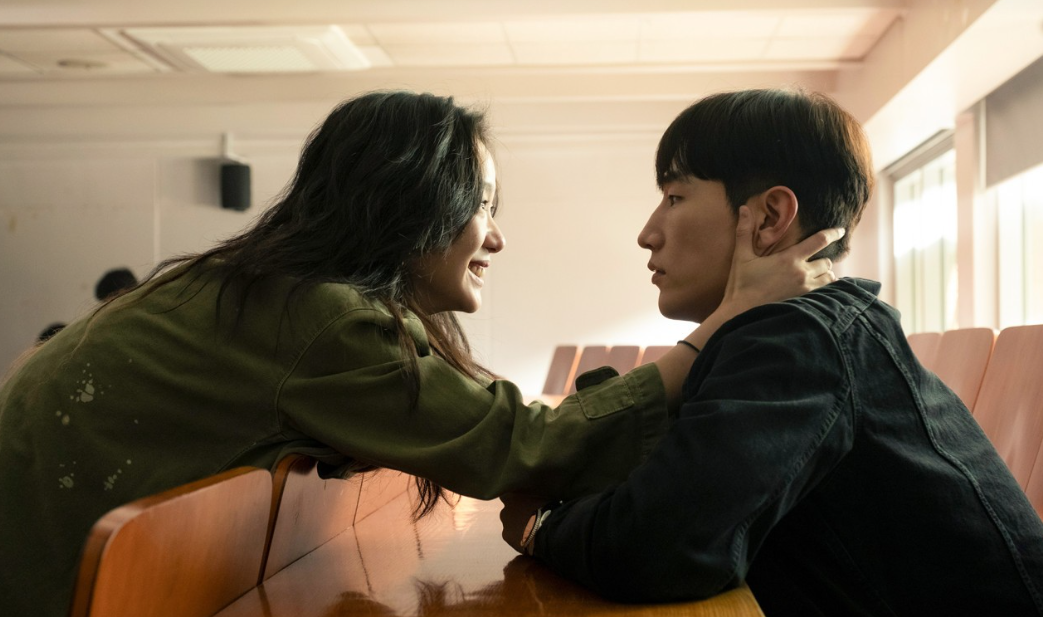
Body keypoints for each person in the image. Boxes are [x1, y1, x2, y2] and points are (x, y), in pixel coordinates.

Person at [0, 91, 839, 617]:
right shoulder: (318, 317)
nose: (496, 238)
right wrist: (724, 322)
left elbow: (503, 429)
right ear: (411, 203)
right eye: (482, 206)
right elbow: (519, 444)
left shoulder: (279, 293)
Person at [500, 88, 1043, 615]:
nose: (648, 233)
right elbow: (652, 482)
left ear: (769, 217)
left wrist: (539, 526)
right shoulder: (801, 328)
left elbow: (653, 546)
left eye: (674, 197)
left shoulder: (800, 338)